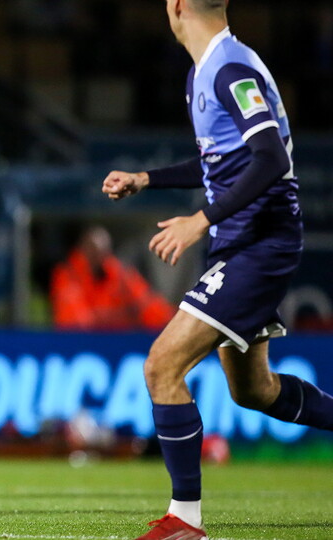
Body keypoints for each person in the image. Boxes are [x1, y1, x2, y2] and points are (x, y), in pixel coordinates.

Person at [102, 1, 333, 538]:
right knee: (255, 390)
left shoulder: (231, 68)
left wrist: (198, 221)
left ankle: (185, 520)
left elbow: (271, 158)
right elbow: (219, 163)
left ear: (177, 5)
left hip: (258, 245)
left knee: (162, 366)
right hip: (242, 242)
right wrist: (147, 178)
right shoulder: (204, 70)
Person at [50, 225, 174, 331]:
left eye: (103, 253)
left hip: (118, 342)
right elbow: (77, 322)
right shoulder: (67, 275)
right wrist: (124, 315)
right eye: (92, 251)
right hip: (79, 348)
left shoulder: (118, 273)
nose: (98, 258)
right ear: (83, 249)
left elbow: (152, 308)